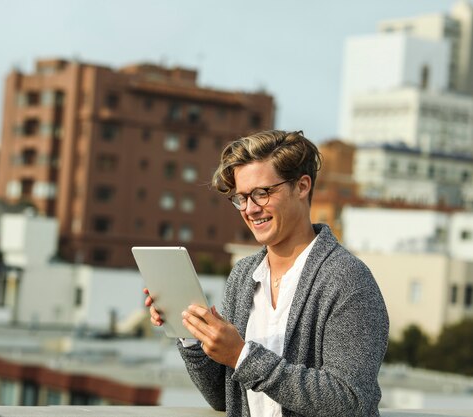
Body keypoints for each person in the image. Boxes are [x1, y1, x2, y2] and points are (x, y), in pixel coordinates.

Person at [144, 130, 389, 417]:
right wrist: (191, 334)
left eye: (262, 193)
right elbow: (224, 398)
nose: (249, 209)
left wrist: (241, 356)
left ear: (302, 186)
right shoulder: (243, 276)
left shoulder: (347, 279)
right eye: (241, 198)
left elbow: (350, 401)